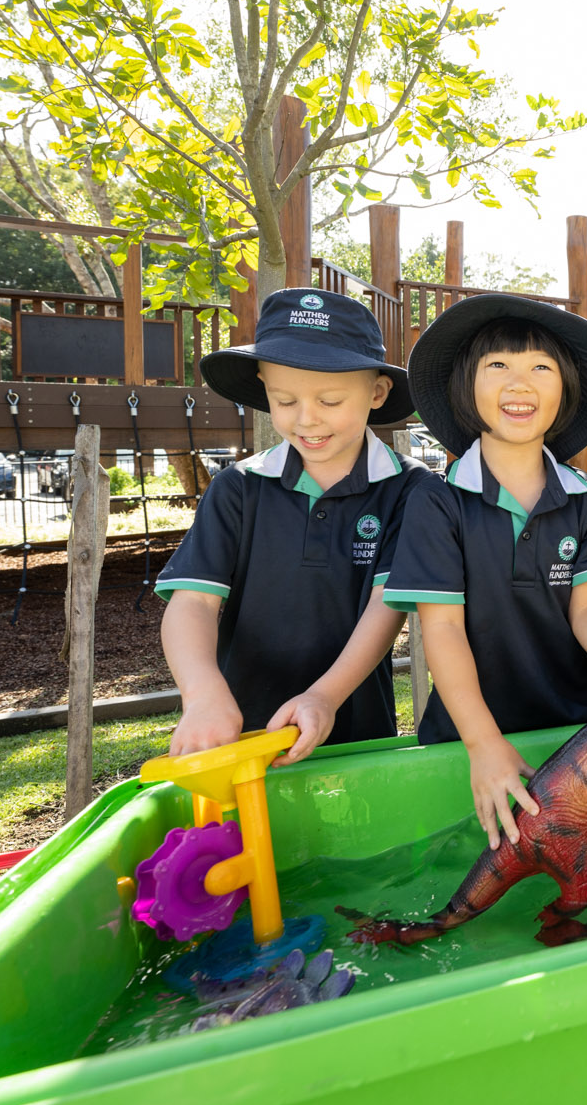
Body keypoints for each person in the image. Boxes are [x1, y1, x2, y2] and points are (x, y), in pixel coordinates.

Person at [381, 294, 587, 849]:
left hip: (575, 736)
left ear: (565, 391)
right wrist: (483, 744)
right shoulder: (438, 499)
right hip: (466, 739)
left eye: (540, 368)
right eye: (497, 365)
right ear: (466, 386)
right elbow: (443, 629)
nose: (519, 383)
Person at [157, 287, 429, 767]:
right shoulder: (238, 487)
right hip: (237, 736)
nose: (306, 419)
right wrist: (201, 694)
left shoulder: (410, 489)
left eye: (329, 399)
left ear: (377, 392)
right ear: (264, 388)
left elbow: (387, 605)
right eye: (284, 400)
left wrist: (324, 696)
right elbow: (194, 601)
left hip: (357, 731)